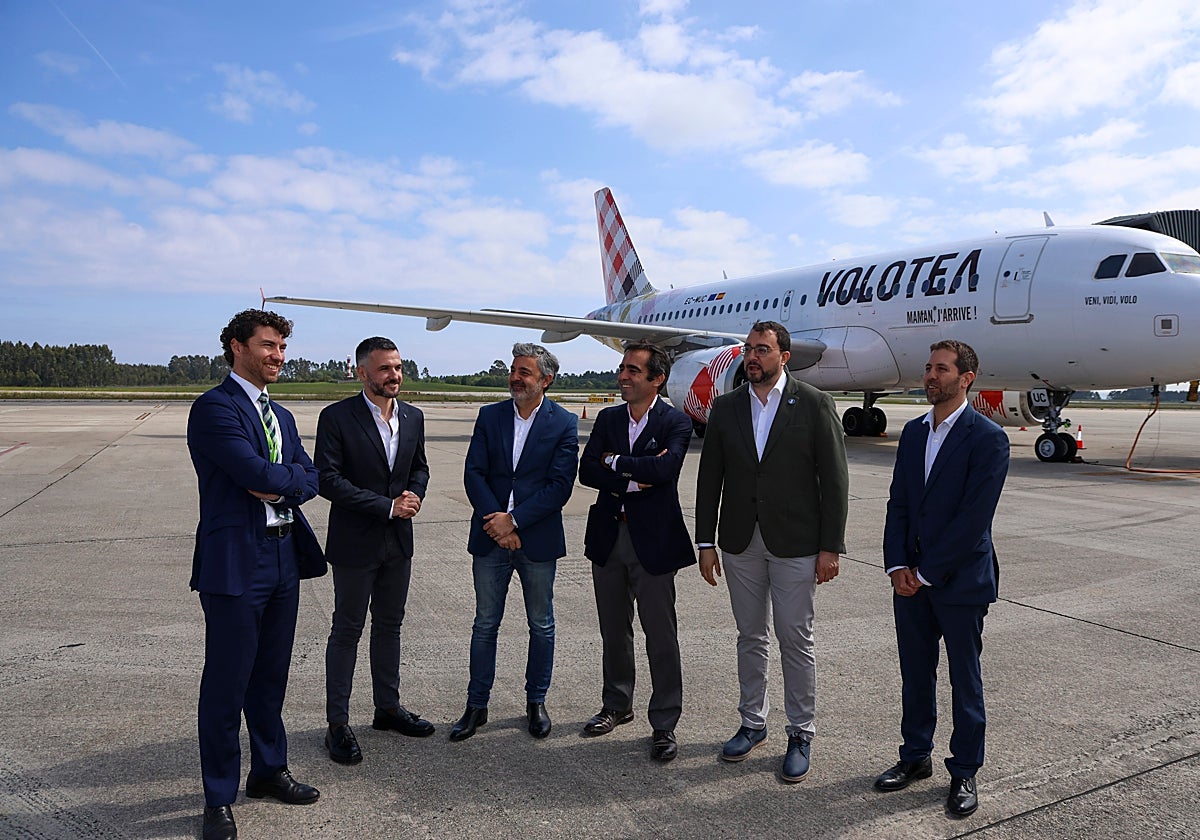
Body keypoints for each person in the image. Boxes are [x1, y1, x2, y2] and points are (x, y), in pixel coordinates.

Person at [186, 310, 327, 840]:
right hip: (236, 563)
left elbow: (306, 478)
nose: (278, 357)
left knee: (270, 678)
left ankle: (268, 771)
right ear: (236, 346)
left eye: (282, 348)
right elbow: (254, 474)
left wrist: (281, 482)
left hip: (283, 557)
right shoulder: (214, 409)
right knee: (227, 683)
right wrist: (281, 479)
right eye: (268, 346)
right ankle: (218, 797)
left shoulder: (282, 416)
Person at [695, 320, 849, 783]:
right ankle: (752, 723)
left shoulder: (816, 404)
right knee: (750, 636)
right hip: (740, 541)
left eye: (762, 350)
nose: (753, 357)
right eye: (749, 350)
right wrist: (706, 541)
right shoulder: (725, 409)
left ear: (784, 356)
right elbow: (710, 480)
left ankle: (801, 731)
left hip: (797, 543)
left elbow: (835, 482)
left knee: (795, 639)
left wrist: (830, 547)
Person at [874, 340, 1009, 817]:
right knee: (915, 674)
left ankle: (965, 770)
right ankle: (915, 758)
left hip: (958, 582)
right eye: (928, 368)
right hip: (909, 580)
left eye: (942, 369)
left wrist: (927, 572)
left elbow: (973, 520)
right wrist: (896, 566)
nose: (931, 376)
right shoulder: (913, 433)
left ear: (966, 377)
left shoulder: (987, 438)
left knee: (964, 678)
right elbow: (900, 505)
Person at [450, 342, 579, 742]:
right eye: (514, 369)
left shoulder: (564, 422)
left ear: (546, 379)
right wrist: (497, 523)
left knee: (541, 624)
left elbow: (559, 487)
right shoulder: (490, 417)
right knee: (485, 623)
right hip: (490, 537)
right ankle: (476, 705)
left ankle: (536, 702)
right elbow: (474, 473)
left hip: (535, 539)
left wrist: (515, 521)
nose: (515, 377)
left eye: (524, 372)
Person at [314, 336, 433, 766]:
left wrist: (415, 494)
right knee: (347, 630)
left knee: (390, 626)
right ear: (363, 373)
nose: (394, 375)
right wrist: (386, 506)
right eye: (384, 369)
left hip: (398, 542)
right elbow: (327, 479)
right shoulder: (337, 417)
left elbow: (419, 466)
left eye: (398, 367)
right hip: (355, 542)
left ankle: (387, 708)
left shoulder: (414, 417)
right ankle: (338, 725)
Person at [578, 343, 695, 762]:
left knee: (660, 636)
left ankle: (664, 723)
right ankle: (616, 705)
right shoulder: (609, 418)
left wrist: (615, 463)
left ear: (656, 378)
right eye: (622, 368)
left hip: (655, 540)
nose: (622, 376)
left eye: (632, 370)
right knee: (614, 628)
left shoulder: (676, 422)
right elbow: (586, 470)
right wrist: (632, 471)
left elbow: (665, 471)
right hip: (610, 538)